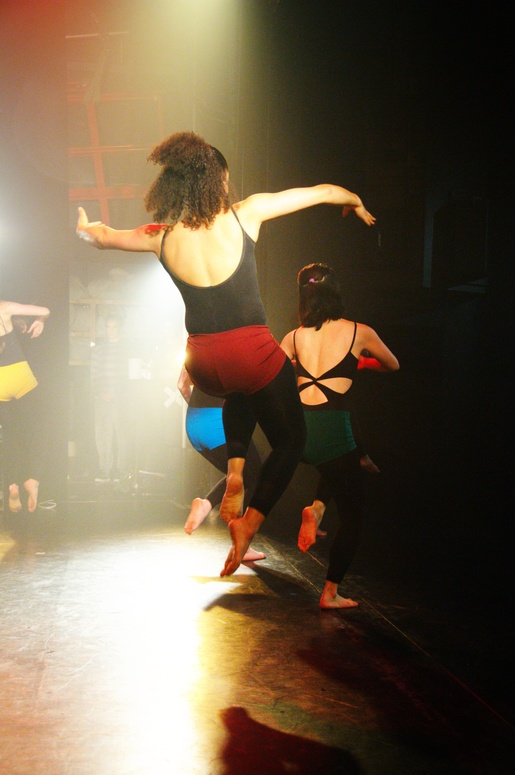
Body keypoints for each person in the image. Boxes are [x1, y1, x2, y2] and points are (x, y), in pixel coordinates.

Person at [76, 130, 376, 576]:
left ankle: (235, 472)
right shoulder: (246, 213)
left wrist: (84, 228)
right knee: (291, 440)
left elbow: (104, 237)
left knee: (238, 390)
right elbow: (320, 193)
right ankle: (249, 522)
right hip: (249, 351)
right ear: (216, 180)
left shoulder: (161, 236)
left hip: (202, 362)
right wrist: (355, 200)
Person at [280, 263, 399, 609]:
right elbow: (393, 364)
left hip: (299, 432)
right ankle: (330, 593)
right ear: (336, 292)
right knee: (353, 517)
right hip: (333, 432)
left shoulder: (293, 336)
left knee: (339, 463)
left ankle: (317, 509)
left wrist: (300, 369)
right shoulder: (360, 331)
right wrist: (359, 362)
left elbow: (275, 375)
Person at [178, 365, 266, 562]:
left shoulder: (198, 351)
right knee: (253, 474)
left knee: (238, 474)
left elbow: (182, 385)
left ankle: (207, 505)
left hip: (193, 422)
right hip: (217, 421)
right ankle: (240, 543)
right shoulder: (238, 350)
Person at [0, 300, 50, 513]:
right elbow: (45, 310)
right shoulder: (3, 308)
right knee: (39, 429)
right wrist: (40, 321)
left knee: (10, 437)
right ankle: (32, 479)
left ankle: (11, 485)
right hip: (19, 376)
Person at [90, 312, 131, 482]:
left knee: (123, 435)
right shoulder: (98, 349)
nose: (111, 330)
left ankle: (122, 471)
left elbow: (129, 376)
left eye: (114, 327)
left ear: (119, 328)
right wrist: (100, 393)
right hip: (102, 399)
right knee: (102, 435)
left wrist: (117, 393)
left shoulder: (126, 349)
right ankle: (104, 470)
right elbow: (93, 375)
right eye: (108, 327)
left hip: (121, 399)